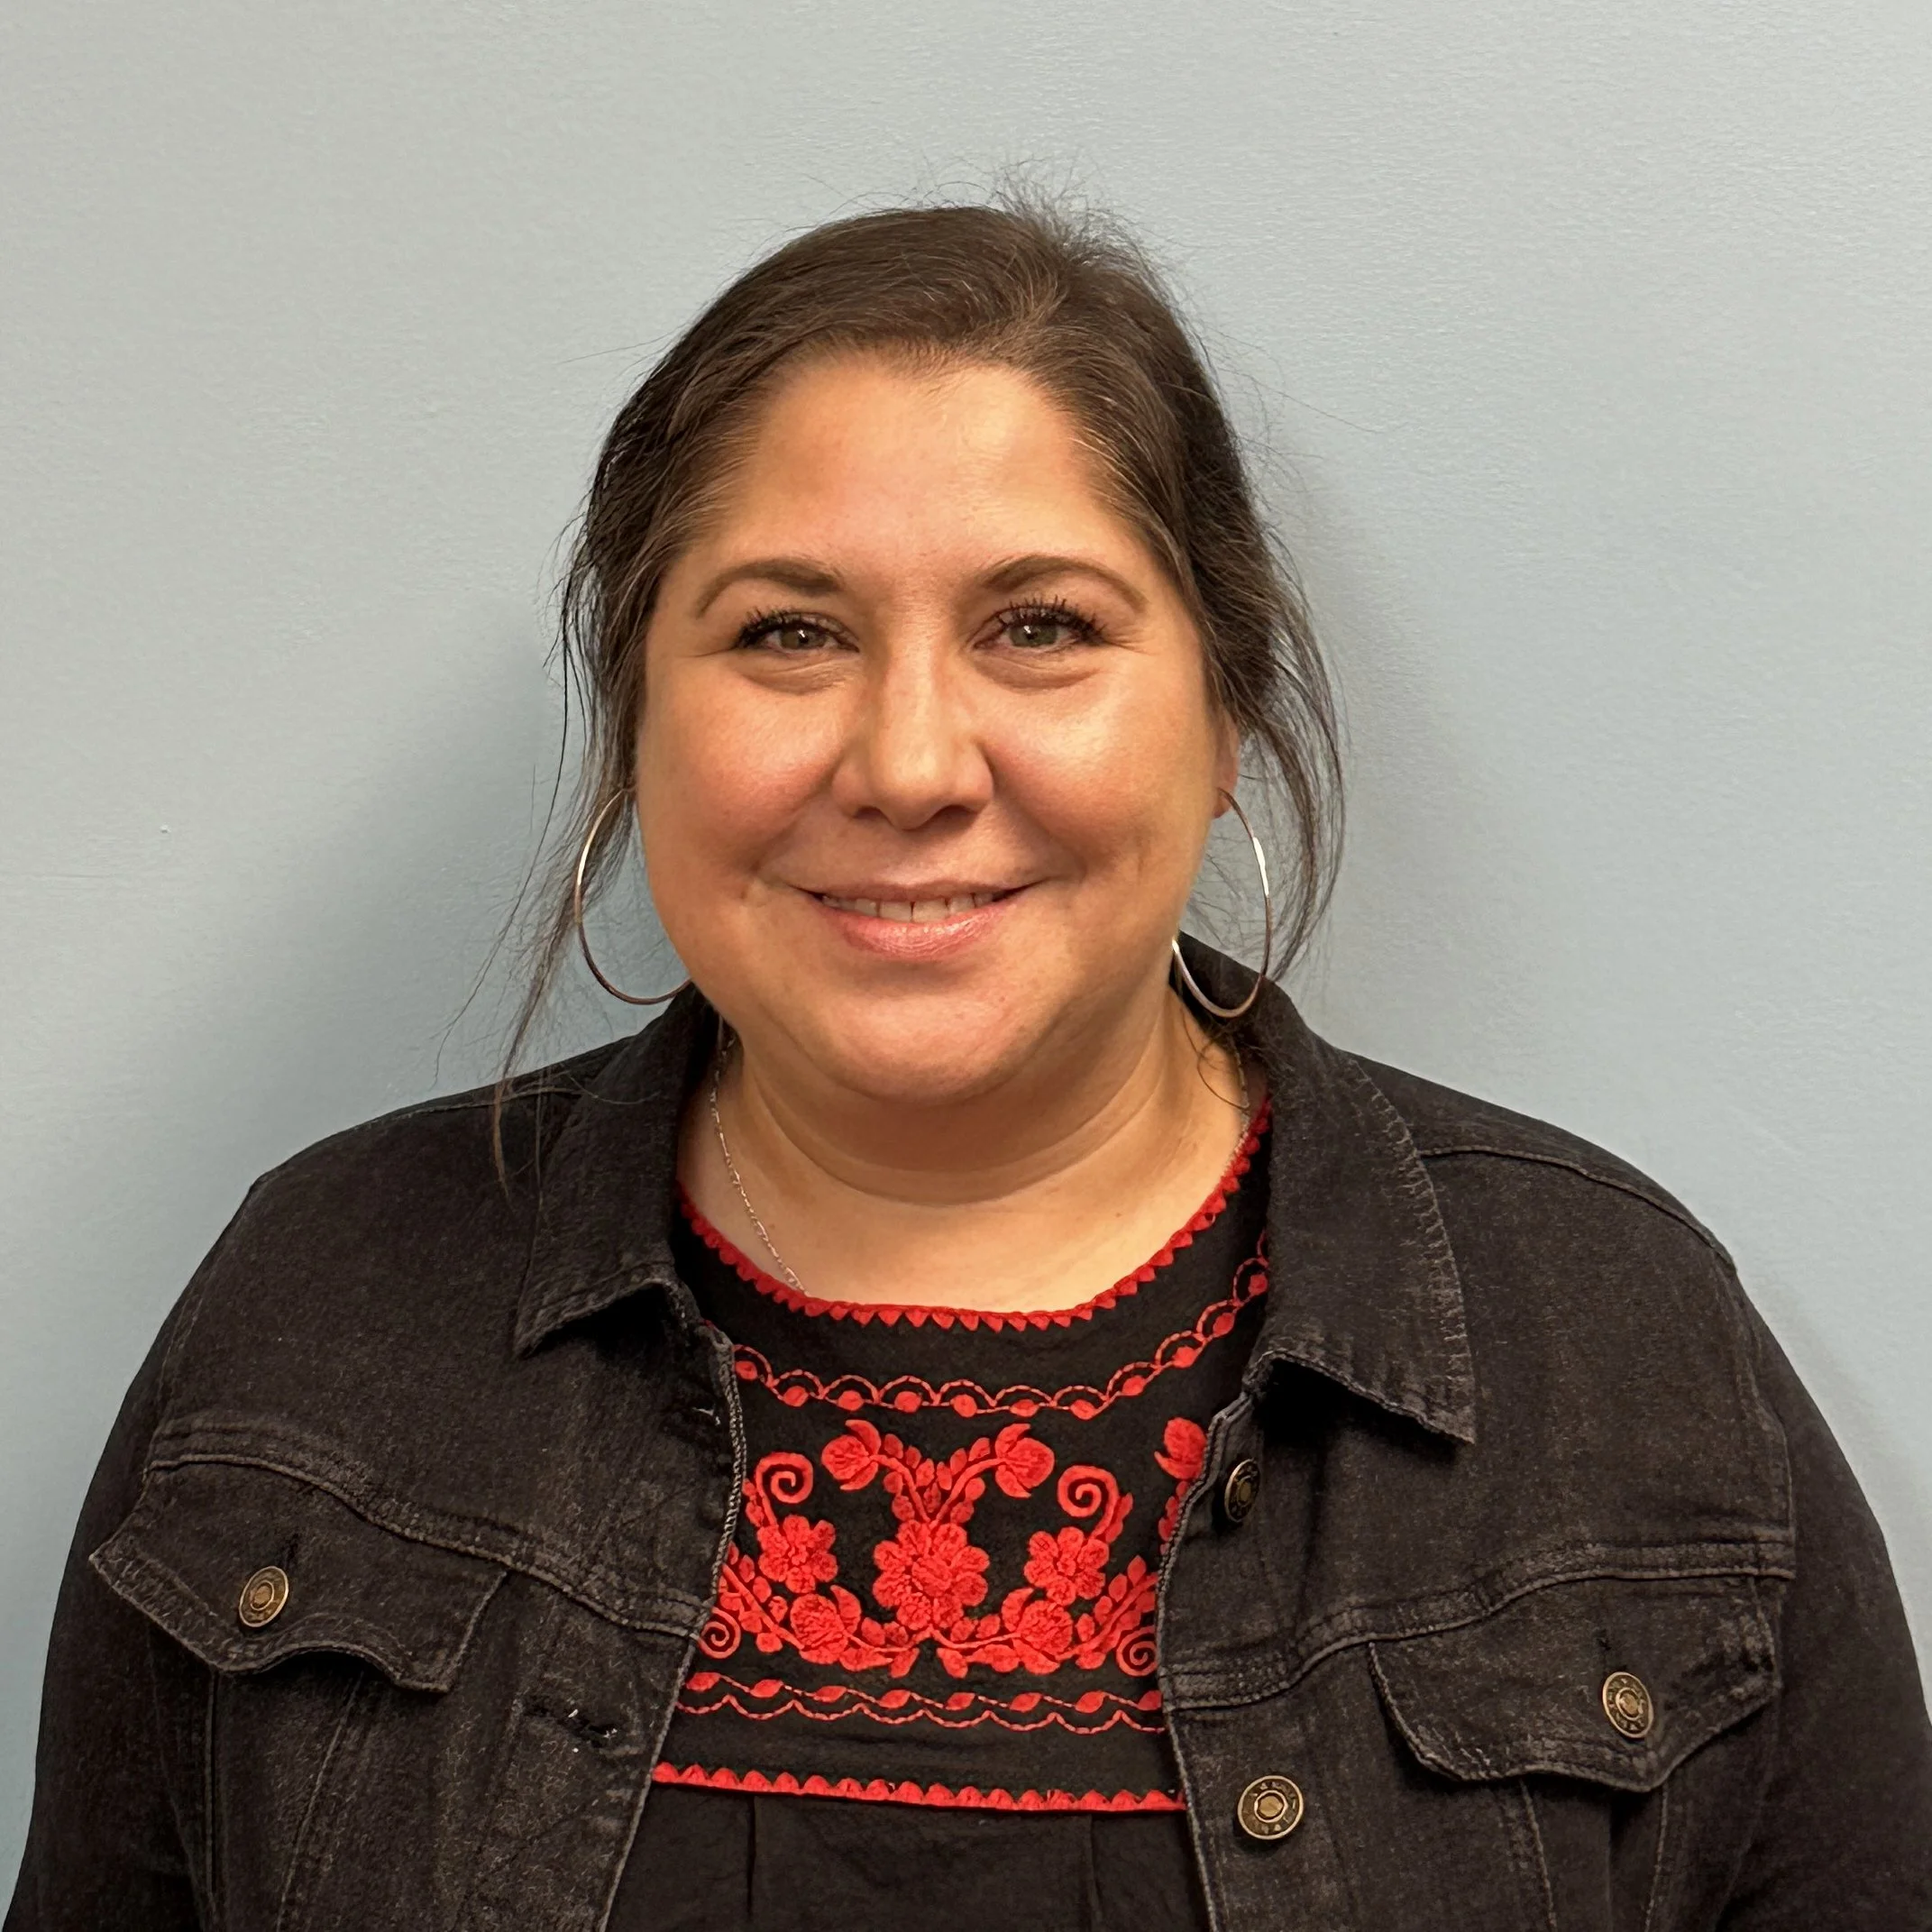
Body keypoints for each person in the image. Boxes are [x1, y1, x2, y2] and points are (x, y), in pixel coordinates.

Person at [8, 200, 1929, 1932]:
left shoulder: (1615, 1346)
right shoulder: (320, 1308)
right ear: (637, 715)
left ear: (1224, 708)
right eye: (787, 633)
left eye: (1040, 628)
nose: (912, 763)